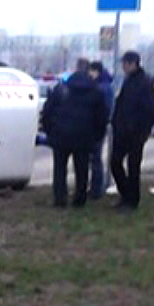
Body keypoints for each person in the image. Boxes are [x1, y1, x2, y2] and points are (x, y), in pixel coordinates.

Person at [41, 58, 107, 208]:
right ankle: (80, 199)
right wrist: (96, 136)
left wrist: (50, 132)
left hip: (61, 135)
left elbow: (47, 112)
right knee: (82, 169)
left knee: (59, 169)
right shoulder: (96, 91)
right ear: (88, 70)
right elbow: (101, 117)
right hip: (84, 136)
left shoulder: (61, 89)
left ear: (75, 69)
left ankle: (60, 199)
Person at [110, 51, 154, 210]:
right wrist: (115, 122)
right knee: (115, 162)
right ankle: (125, 194)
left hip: (136, 133)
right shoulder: (128, 81)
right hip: (122, 131)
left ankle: (132, 201)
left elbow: (149, 110)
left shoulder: (145, 82)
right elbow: (122, 104)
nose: (123, 66)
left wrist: (143, 132)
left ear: (134, 63)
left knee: (133, 167)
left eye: (125, 63)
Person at [88, 61, 114, 199]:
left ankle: (96, 188)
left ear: (96, 71)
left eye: (91, 71)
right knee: (95, 157)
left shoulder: (101, 87)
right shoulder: (106, 85)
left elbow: (102, 108)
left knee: (95, 157)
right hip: (101, 125)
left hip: (98, 126)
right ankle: (97, 186)